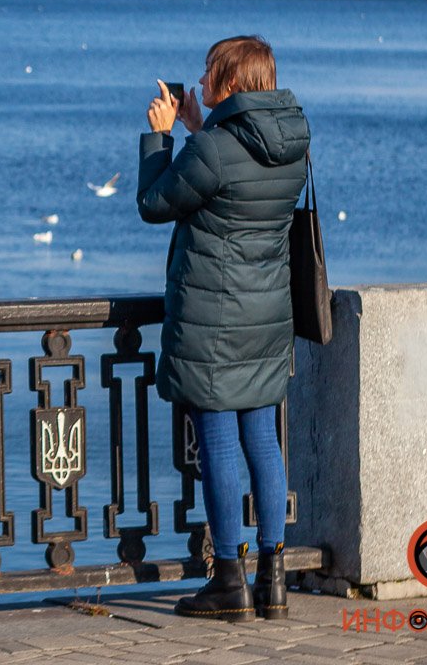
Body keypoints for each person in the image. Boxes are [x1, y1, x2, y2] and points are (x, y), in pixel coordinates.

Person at [136, 35, 309, 622]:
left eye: (210, 73)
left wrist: (162, 135)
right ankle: (273, 579)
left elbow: (157, 202)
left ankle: (228, 581)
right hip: (266, 318)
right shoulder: (291, 146)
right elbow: (233, 184)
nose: (200, 81)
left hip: (213, 321)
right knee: (262, 438)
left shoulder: (211, 147)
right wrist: (198, 129)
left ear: (231, 83)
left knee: (217, 444)